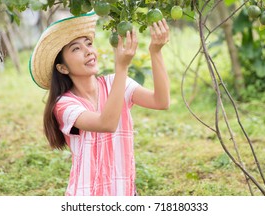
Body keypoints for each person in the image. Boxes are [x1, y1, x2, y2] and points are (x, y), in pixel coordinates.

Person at [29, 11, 170, 196]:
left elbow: (161, 101)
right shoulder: (64, 105)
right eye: (76, 49)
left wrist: (155, 51)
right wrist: (122, 67)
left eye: (88, 44)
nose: (88, 51)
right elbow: (107, 123)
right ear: (62, 68)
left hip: (124, 193)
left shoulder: (116, 83)